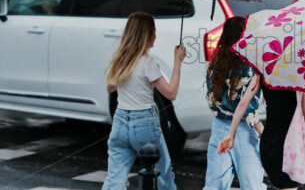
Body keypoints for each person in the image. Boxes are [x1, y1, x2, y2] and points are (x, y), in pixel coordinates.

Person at [102, 12, 186, 190]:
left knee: (115, 179)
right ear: (146, 35)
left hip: (120, 122)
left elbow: (110, 88)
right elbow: (170, 93)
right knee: (164, 173)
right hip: (145, 124)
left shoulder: (121, 61)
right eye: (153, 31)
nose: (156, 34)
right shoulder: (149, 63)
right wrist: (177, 63)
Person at [204, 16, 267, 190]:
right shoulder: (248, 68)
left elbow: (211, 100)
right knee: (252, 184)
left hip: (219, 126)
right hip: (243, 130)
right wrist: (264, 135)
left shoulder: (215, 65)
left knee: (214, 184)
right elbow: (248, 110)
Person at [219, 85, 305, 190]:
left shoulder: (264, 70)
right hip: (291, 144)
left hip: (269, 141)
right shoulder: (299, 76)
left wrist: (231, 135)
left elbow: (243, 104)